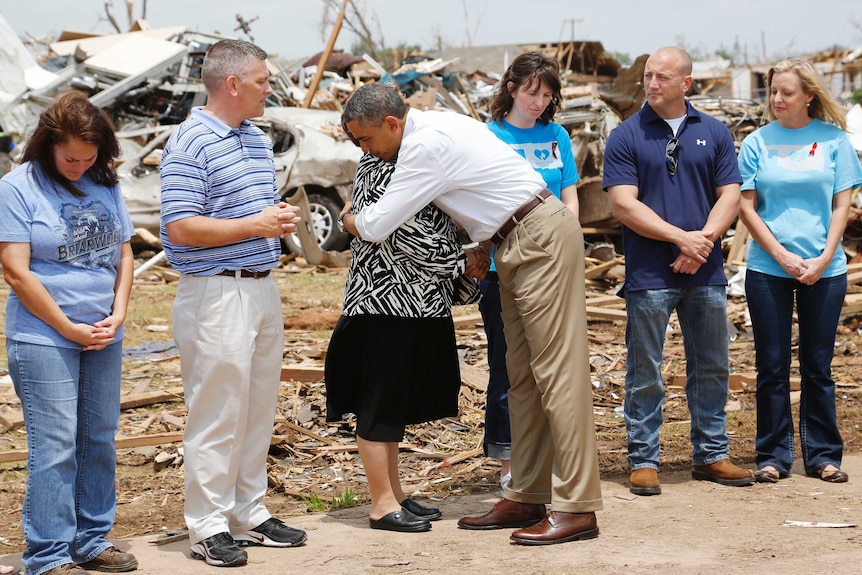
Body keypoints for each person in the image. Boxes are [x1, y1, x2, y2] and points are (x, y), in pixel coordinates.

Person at [332, 82, 602, 546]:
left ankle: (576, 506)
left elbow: (376, 225)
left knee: (557, 375)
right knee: (520, 375)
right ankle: (527, 493)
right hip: (510, 240)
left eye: (366, 139)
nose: (364, 149)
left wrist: (348, 219)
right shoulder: (440, 125)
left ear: (392, 123)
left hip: (536, 236)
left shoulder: (423, 146)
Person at [159, 39, 306, 568]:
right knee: (218, 410)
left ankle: (248, 511)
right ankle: (206, 523)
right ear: (233, 84)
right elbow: (180, 227)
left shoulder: (255, 139)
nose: (271, 88)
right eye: (264, 80)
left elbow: (246, 214)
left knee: (257, 408)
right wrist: (256, 225)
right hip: (216, 290)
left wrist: (272, 220)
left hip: (260, 286)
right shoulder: (190, 142)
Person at [603, 46, 754, 496]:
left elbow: (730, 195)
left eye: (662, 77)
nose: (651, 84)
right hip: (650, 275)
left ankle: (711, 454)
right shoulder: (626, 135)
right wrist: (679, 238)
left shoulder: (714, 131)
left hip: (704, 271)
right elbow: (623, 204)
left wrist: (700, 241)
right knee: (644, 369)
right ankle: (644, 459)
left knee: (711, 366)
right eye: (648, 75)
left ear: (686, 83)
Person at [0, 91, 138, 574]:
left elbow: (124, 253)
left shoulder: (105, 183)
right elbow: (15, 271)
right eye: (69, 158)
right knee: (56, 445)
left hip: (103, 334)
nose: (79, 165)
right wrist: (68, 327)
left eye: (89, 156)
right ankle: (48, 554)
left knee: (98, 437)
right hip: (45, 337)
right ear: (47, 145)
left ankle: (92, 539)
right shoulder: (18, 188)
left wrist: (118, 314)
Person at [325, 150, 482, 532]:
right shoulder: (382, 169)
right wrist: (466, 260)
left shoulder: (411, 163)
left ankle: (394, 494)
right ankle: (381, 503)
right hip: (384, 305)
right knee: (378, 407)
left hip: (416, 307)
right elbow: (415, 240)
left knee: (393, 407)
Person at [737, 58, 862, 484]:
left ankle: (823, 455)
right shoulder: (755, 142)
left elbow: (841, 205)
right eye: (773, 91)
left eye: (786, 93)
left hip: (826, 270)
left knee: (818, 366)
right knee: (771, 366)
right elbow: (746, 206)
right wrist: (782, 256)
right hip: (767, 268)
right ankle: (773, 456)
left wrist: (826, 256)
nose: (776, 99)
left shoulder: (834, 142)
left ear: (809, 95)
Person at [481, 51, 581, 492]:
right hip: (504, 267)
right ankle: (509, 461)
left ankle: (550, 459)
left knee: (552, 366)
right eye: (530, 92)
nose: (538, 102)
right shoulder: (489, 137)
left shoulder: (558, 135)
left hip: (554, 265)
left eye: (546, 94)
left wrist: (568, 242)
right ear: (511, 90)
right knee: (508, 367)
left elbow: (570, 196)